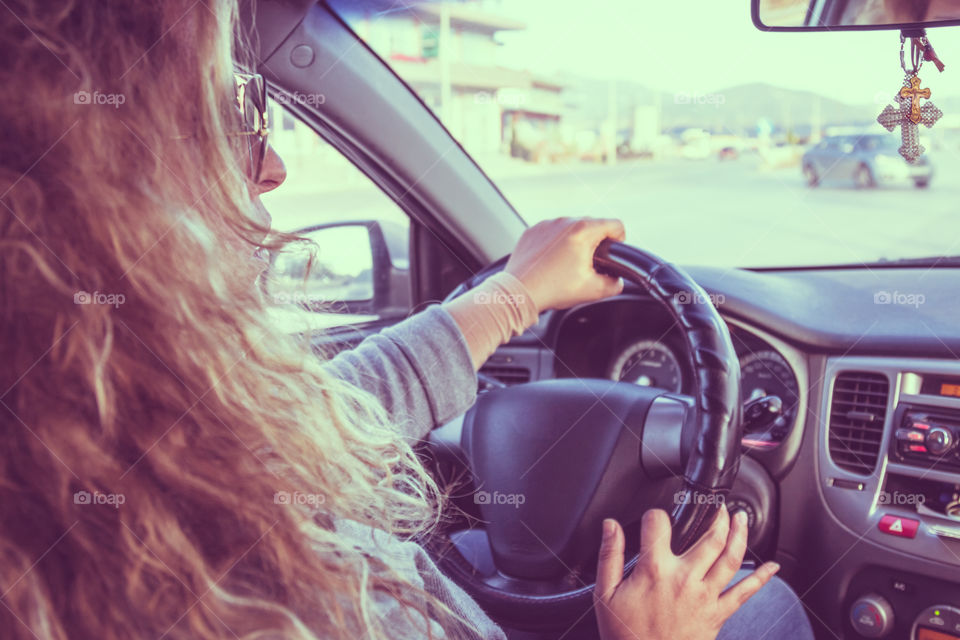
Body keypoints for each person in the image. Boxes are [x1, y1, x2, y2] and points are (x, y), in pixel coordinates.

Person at [0, 1, 814, 639]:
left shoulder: (110, 420)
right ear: (111, 182)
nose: (272, 165)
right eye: (231, 113)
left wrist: (512, 293)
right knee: (768, 614)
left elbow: (304, 421)